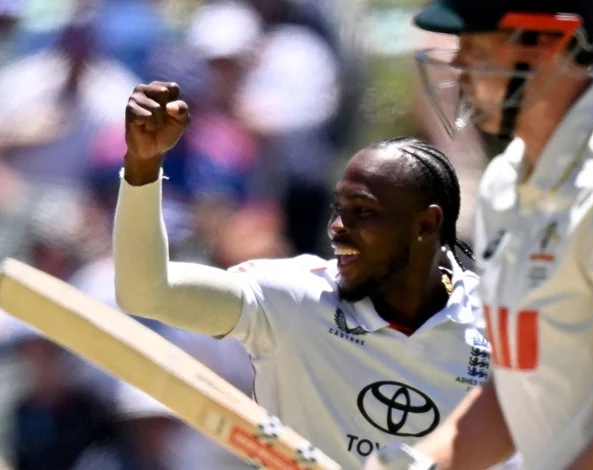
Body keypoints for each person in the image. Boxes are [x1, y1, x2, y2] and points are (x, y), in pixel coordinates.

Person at [367, 1, 593, 469]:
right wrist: (418, 465)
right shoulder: (503, 184)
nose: (459, 67)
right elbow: (516, 393)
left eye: (477, 47)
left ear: (547, 45)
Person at [113, 81, 520, 469]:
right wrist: (142, 169)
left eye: (364, 212)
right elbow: (147, 293)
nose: (337, 227)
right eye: (338, 209)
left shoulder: (502, 324)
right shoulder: (291, 298)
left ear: (426, 224)